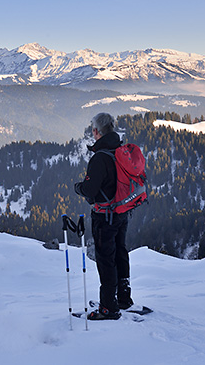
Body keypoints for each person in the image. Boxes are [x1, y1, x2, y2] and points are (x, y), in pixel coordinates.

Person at [74, 112, 133, 320]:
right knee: (120, 252)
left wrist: (78, 188)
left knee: (105, 258)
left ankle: (109, 307)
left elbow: (90, 190)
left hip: (105, 216)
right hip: (122, 212)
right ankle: (123, 298)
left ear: (96, 131)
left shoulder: (100, 157)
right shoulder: (119, 149)